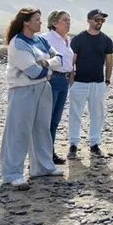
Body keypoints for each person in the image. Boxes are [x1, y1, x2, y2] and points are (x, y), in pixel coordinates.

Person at [0, 7, 65, 189]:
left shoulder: (40, 40)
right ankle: (12, 173)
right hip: (23, 90)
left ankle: (42, 167)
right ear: (26, 22)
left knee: (41, 128)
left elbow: (59, 59)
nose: (40, 22)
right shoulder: (18, 43)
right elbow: (33, 71)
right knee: (18, 130)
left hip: (43, 88)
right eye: (37, 19)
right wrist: (48, 66)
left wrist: (46, 64)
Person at [67, 9, 113, 159]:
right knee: (75, 114)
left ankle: (94, 144)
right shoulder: (78, 39)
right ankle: (73, 145)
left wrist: (107, 80)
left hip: (98, 83)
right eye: (97, 19)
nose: (99, 22)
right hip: (79, 82)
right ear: (89, 20)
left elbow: (109, 62)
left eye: (102, 20)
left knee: (97, 115)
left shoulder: (106, 40)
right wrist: (72, 81)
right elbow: (71, 61)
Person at [40, 10, 74, 164]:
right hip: (52, 79)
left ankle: (49, 151)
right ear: (54, 23)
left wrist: (71, 76)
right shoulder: (46, 39)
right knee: (46, 117)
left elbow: (69, 61)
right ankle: (42, 153)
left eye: (69, 20)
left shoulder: (67, 40)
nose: (68, 23)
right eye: (65, 20)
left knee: (56, 119)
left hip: (64, 81)